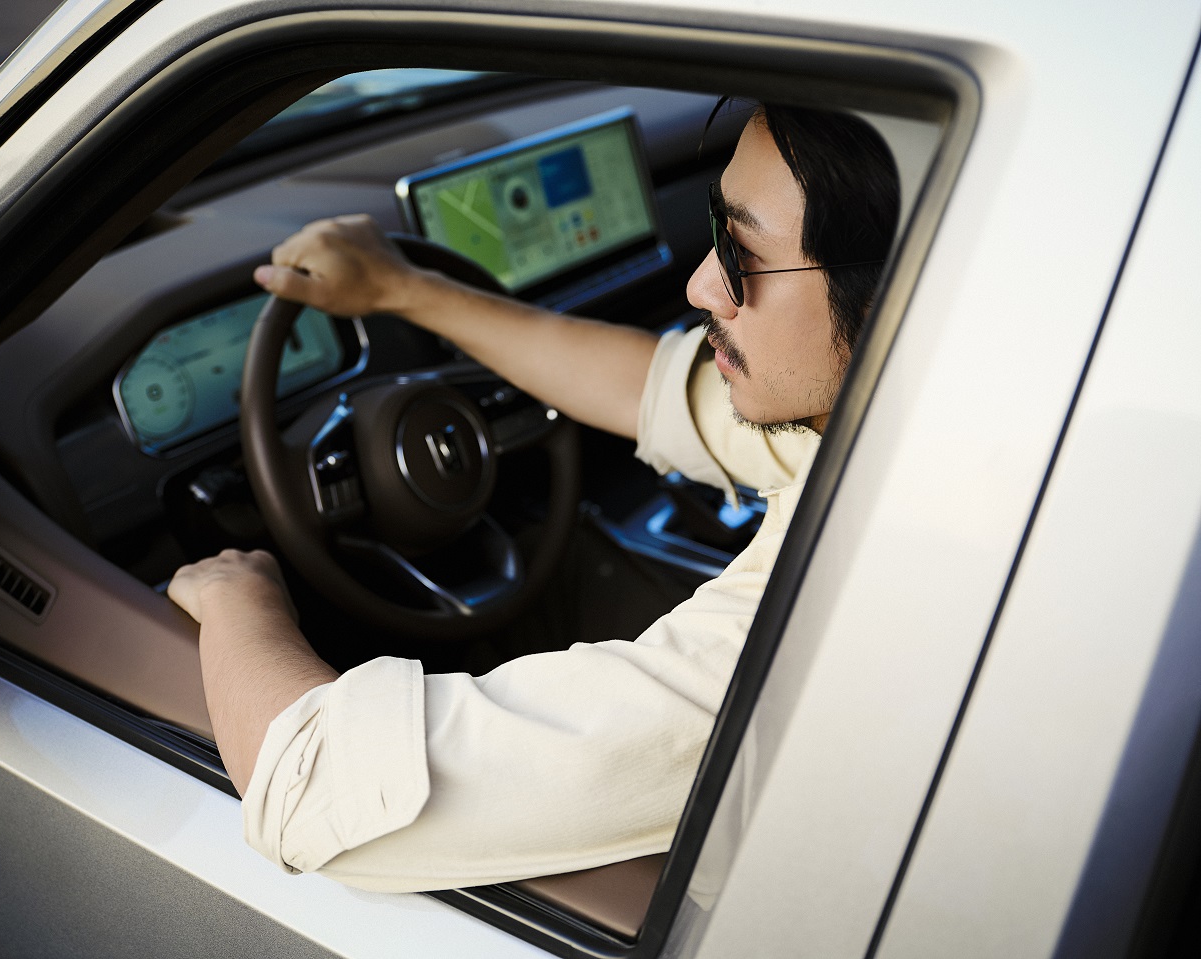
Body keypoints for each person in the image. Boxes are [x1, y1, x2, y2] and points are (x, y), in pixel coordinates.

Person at [167, 102, 899, 892]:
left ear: (893, 300)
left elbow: (312, 793)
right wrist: (404, 288)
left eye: (743, 256)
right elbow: (651, 388)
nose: (699, 286)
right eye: (716, 231)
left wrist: (237, 594)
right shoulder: (890, 419)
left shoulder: (821, 626)